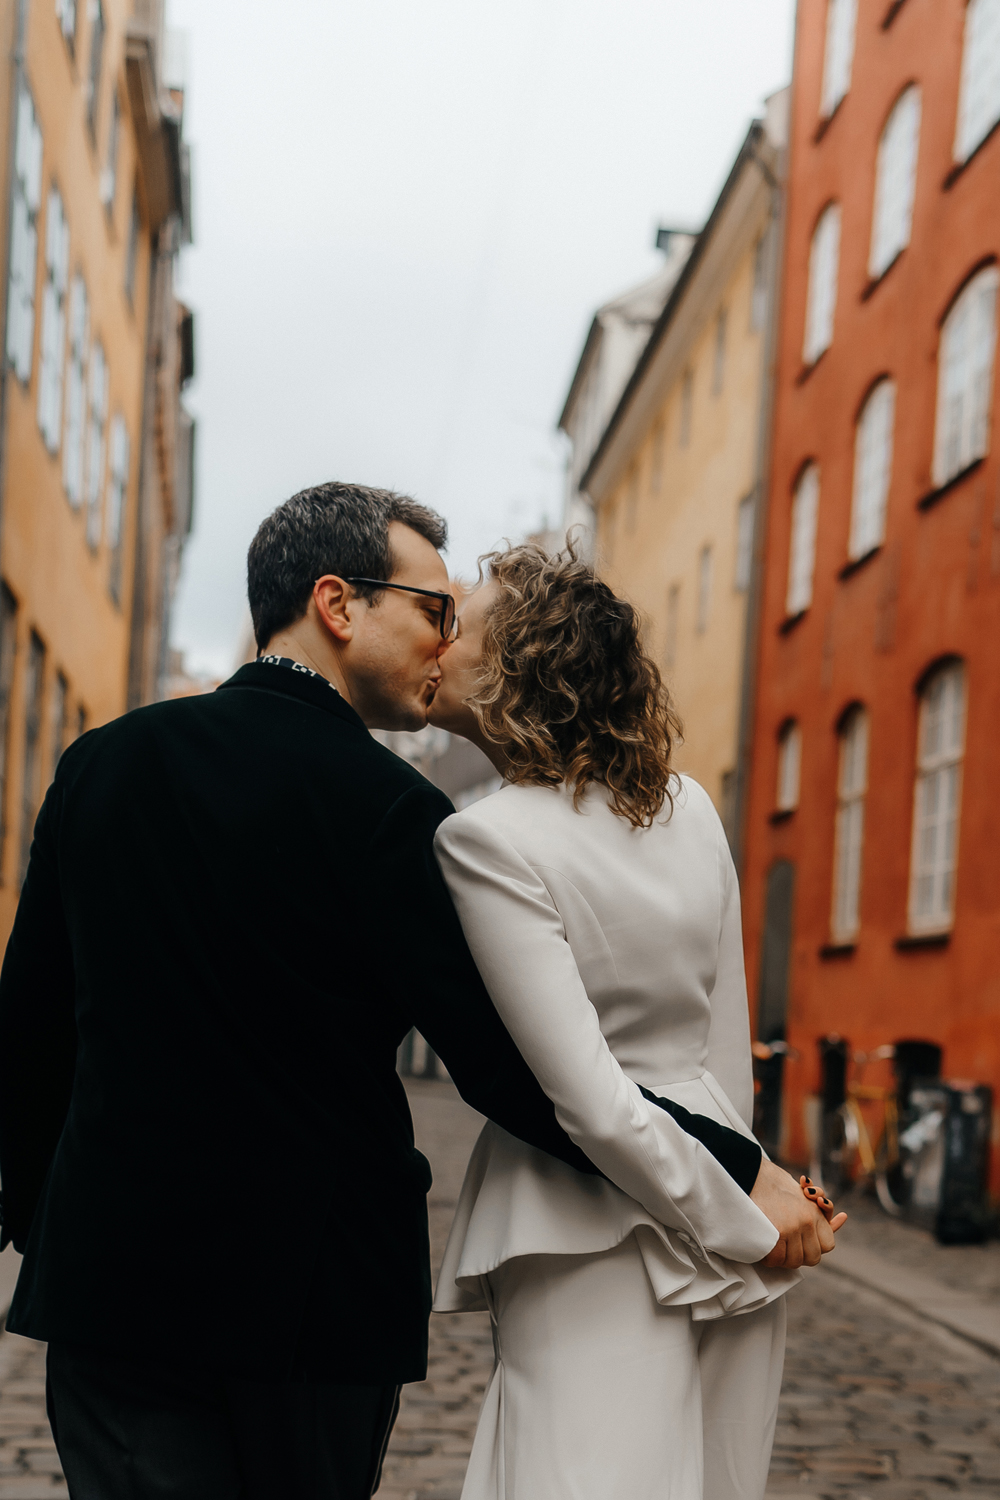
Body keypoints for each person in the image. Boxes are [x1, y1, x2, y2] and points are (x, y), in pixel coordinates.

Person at [0, 484, 828, 1500]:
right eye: (433, 610)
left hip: (113, 1284)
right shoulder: (394, 809)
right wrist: (738, 1168)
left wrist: (49, 1225)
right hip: (315, 1298)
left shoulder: (100, 765)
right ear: (340, 606)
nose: (445, 640)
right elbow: (508, 1066)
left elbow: (30, 1027)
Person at [427, 543, 846, 1500]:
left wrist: (743, 1220)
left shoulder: (484, 837)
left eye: (461, 624)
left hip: (588, 1220)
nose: (436, 643)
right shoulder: (690, 806)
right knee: (713, 1476)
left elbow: (593, 1102)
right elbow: (721, 1045)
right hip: (727, 1199)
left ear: (512, 670)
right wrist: (754, 1196)